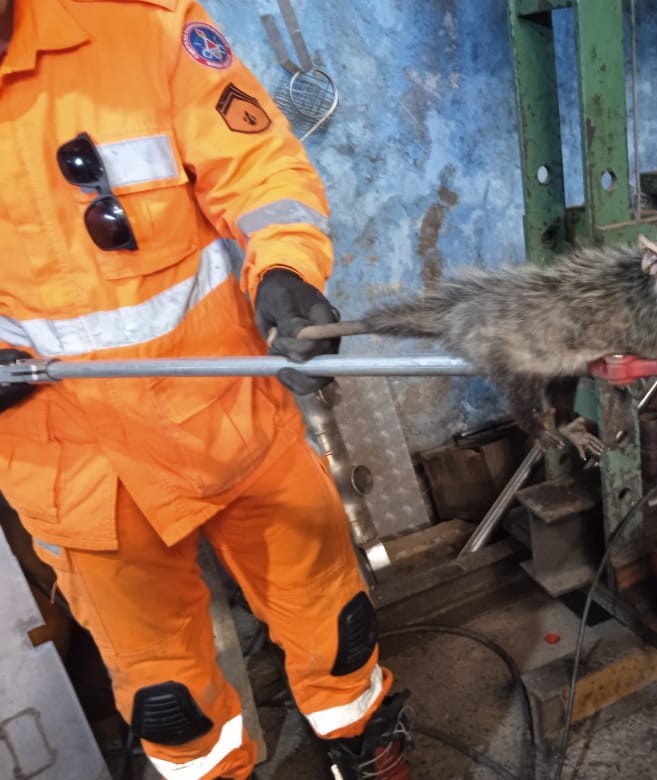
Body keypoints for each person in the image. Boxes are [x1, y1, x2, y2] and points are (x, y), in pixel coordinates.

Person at [0, 1, 410, 778]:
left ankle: (366, 747)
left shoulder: (141, 29)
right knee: (169, 701)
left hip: (229, 415)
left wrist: (286, 270)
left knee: (337, 625)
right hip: (79, 472)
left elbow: (259, 168)